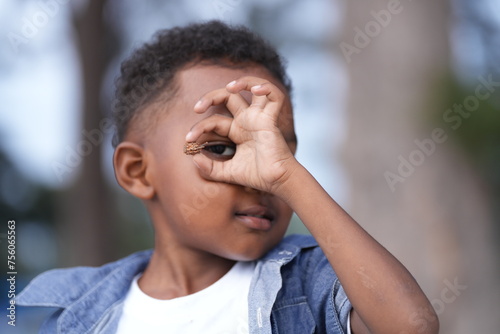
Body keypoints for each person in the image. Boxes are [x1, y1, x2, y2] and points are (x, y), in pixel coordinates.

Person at [17, 20, 439, 334]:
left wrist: (290, 176)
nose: (260, 178)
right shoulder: (61, 303)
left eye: (280, 151)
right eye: (221, 147)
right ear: (138, 171)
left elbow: (411, 327)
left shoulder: (309, 281)